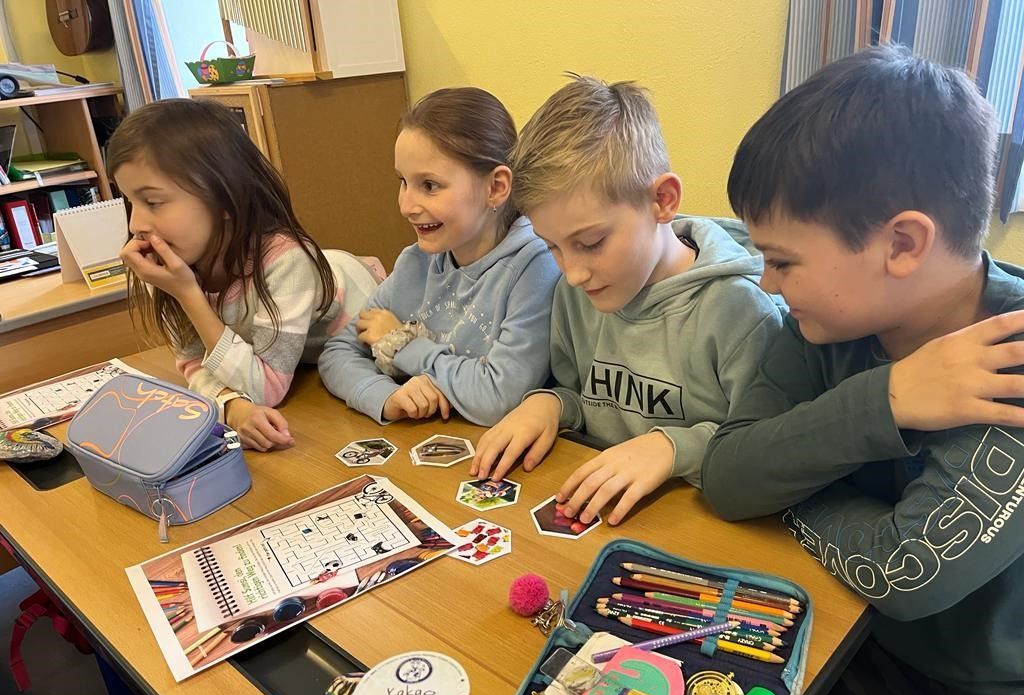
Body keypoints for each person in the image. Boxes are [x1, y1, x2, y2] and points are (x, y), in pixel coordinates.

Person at [701, 46, 1024, 695]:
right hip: (866, 636)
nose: (767, 283)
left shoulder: (1016, 356)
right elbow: (726, 477)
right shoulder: (819, 325)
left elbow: (905, 572)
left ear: (902, 244)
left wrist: (788, 487)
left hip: (1007, 687)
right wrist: (889, 398)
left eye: (783, 260)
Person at [471, 76, 782, 525]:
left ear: (662, 200)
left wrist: (672, 448)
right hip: (610, 519)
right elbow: (583, 395)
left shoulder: (741, 310)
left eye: (591, 243)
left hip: (703, 524)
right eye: (552, 246)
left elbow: (764, 450)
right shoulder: (576, 293)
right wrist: (552, 404)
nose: (573, 273)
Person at [108, 99, 383, 451]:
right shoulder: (169, 266)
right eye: (129, 202)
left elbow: (267, 389)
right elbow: (194, 361)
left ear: (224, 198)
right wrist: (231, 406)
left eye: (153, 202)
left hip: (356, 312)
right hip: (295, 359)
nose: (136, 224)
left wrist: (189, 295)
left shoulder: (286, 262)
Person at [318, 87, 559, 426]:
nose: (406, 206)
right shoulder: (415, 262)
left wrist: (402, 344)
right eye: (403, 182)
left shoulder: (536, 266)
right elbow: (338, 352)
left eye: (429, 185)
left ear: (496, 187)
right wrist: (384, 396)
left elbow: (498, 396)